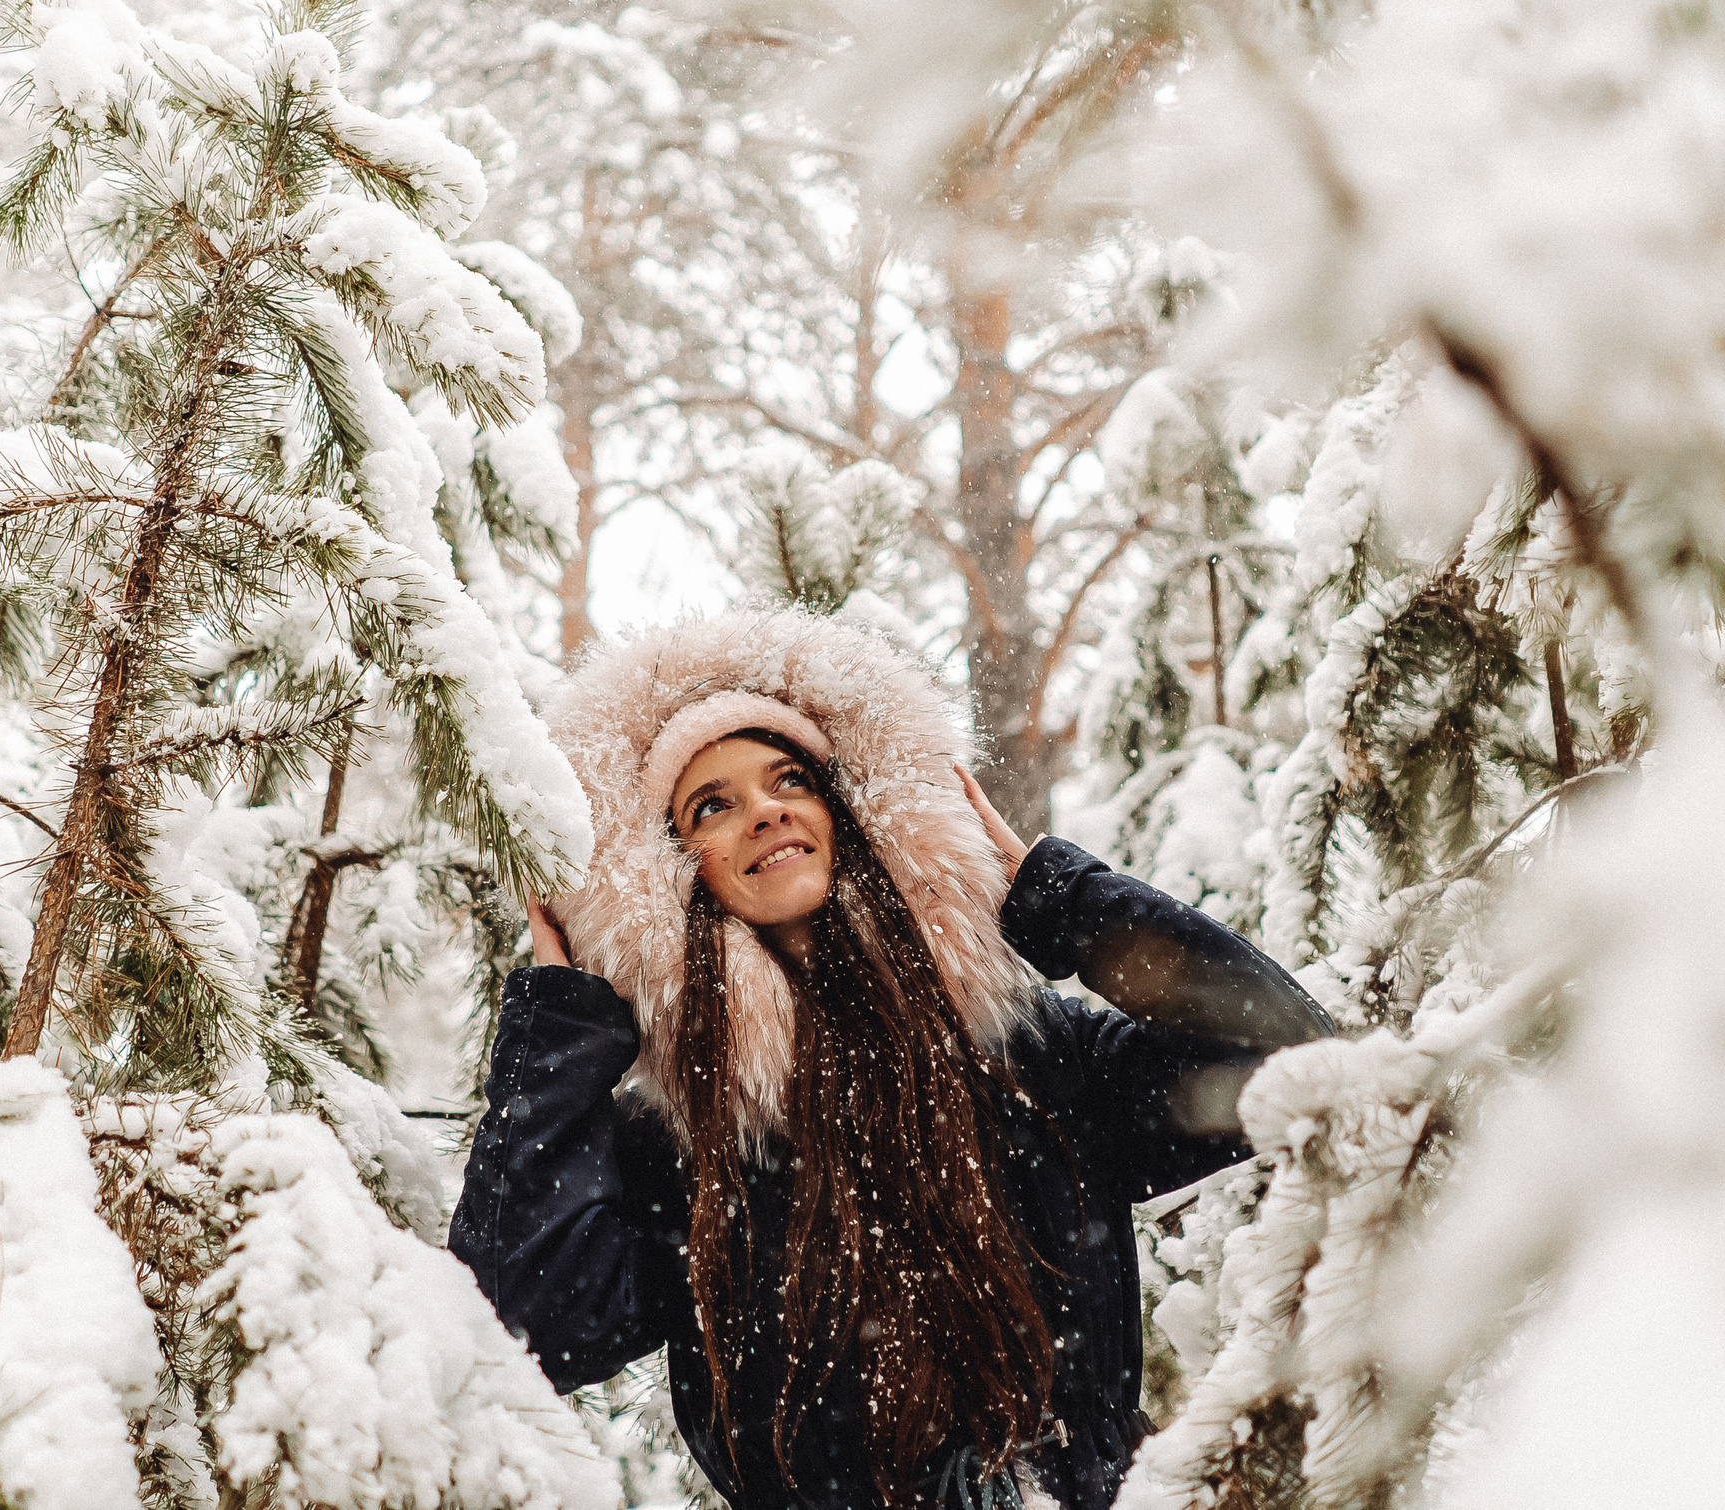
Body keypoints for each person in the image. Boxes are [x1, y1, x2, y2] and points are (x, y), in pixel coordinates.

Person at [452, 610, 1334, 1510]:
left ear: (849, 811)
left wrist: (1054, 895)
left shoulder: (1025, 1050)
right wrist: (557, 1029)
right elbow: (516, 1319)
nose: (765, 810)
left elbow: (1281, 1054)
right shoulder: (685, 1138)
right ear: (670, 871)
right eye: (711, 805)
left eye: (788, 778)